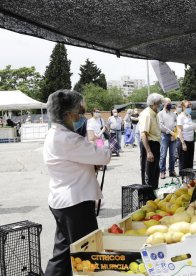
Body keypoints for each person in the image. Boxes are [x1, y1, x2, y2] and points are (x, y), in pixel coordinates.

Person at [43, 90, 111, 276]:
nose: (81, 116)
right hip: (75, 203)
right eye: (78, 112)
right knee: (87, 255)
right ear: (67, 114)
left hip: (63, 201)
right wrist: (100, 142)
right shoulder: (68, 138)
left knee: (63, 254)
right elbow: (103, 156)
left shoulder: (55, 134)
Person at [139, 93, 163, 188]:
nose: (160, 105)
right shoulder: (147, 114)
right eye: (159, 103)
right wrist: (148, 151)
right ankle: (147, 196)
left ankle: (154, 192)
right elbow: (143, 134)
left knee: (155, 171)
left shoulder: (155, 113)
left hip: (155, 144)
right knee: (148, 172)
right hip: (149, 145)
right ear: (154, 103)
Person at [158, 98, 177, 179]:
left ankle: (172, 171)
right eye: (168, 103)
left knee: (173, 155)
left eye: (170, 103)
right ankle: (162, 171)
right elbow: (161, 125)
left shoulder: (173, 113)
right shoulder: (160, 114)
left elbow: (176, 122)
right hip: (164, 136)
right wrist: (170, 132)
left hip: (173, 136)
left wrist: (174, 133)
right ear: (163, 103)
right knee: (163, 155)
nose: (170, 104)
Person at [177, 100, 196, 174]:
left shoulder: (189, 116)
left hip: (191, 141)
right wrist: (183, 143)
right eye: (187, 106)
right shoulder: (180, 117)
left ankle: (189, 181)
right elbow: (179, 130)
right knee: (183, 163)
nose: (189, 108)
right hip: (184, 142)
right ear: (183, 107)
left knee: (190, 162)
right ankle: (183, 181)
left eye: (190, 106)